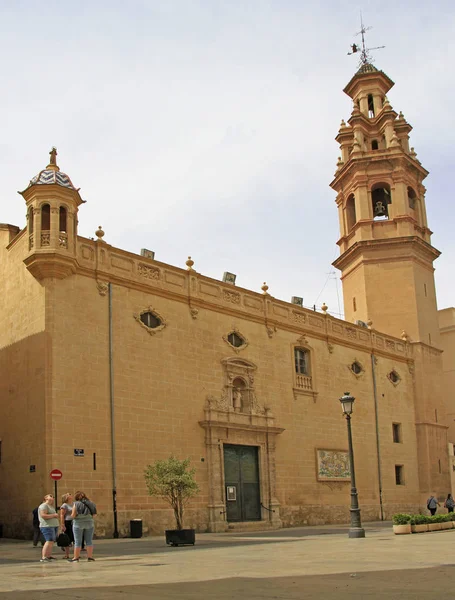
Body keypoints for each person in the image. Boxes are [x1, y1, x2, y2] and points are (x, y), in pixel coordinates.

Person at [68, 491, 97, 562]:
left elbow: (73, 515)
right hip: (89, 523)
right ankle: (90, 557)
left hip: (78, 523)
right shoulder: (92, 503)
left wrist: (71, 516)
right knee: (89, 541)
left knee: (77, 541)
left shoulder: (76, 504)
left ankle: (76, 558)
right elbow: (94, 515)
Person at [38, 494, 59, 562]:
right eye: (50, 496)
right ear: (46, 498)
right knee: (49, 540)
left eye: (53, 496)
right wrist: (53, 515)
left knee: (51, 541)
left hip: (53, 525)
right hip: (47, 526)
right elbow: (43, 515)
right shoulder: (44, 506)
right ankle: (44, 557)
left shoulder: (50, 506)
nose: (52, 497)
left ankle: (48, 556)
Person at [59, 493, 74, 559]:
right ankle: (67, 554)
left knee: (74, 538)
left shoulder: (74, 504)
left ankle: (76, 554)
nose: (70, 495)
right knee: (67, 538)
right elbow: (62, 515)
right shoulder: (64, 505)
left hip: (74, 522)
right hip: (67, 522)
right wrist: (62, 524)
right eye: (68, 495)